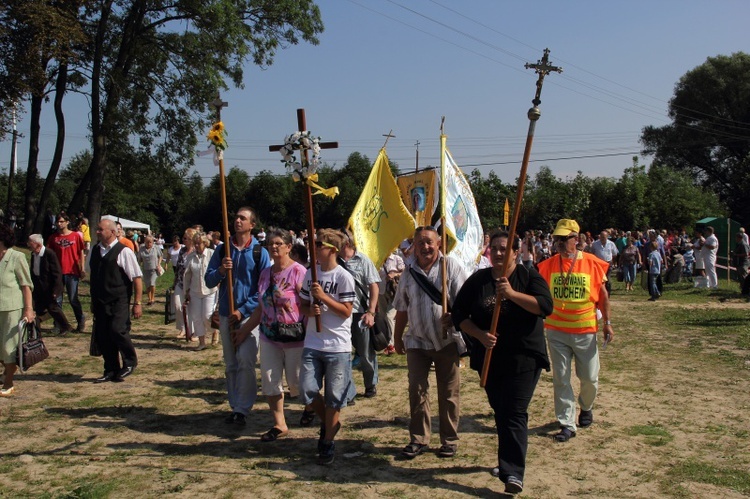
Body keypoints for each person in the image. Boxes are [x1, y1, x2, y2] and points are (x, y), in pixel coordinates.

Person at [451, 231, 552, 495]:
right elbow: (459, 313)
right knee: (501, 411)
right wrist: (479, 334)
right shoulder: (479, 280)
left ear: (516, 252)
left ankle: (513, 473)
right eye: (493, 248)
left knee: (514, 412)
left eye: (504, 248)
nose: (498, 253)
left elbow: (545, 306)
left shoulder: (528, 276)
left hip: (524, 357)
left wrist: (511, 294)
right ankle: (505, 462)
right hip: (490, 357)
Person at [393, 226, 468, 459]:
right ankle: (418, 438)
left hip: (446, 341)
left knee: (448, 393)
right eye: (420, 243)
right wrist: (397, 338)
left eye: (429, 242)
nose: (425, 247)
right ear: (413, 246)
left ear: (438, 244)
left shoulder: (451, 267)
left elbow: (466, 302)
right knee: (417, 390)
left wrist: (454, 316)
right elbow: (402, 308)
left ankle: (449, 440)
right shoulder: (408, 271)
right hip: (417, 340)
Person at [536, 219, 614, 443]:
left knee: (589, 377)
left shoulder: (592, 263)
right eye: (557, 239)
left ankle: (586, 406)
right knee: (561, 378)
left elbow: (603, 296)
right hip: (556, 330)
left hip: (584, 330)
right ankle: (567, 423)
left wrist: (607, 322)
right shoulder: (547, 265)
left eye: (564, 239)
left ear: (577, 240)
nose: (559, 243)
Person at [236, 228, 308, 441]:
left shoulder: (298, 272)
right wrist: (244, 331)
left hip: (295, 337)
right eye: (271, 244)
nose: (274, 247)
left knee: (297, 383)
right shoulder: (265, 273)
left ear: (288, 247)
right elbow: (260, 307)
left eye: (278, 243)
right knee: (269, 380)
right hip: (269, 336)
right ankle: (279, 424)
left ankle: (311, 407)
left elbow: (307, 303)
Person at [205, 207, 271, 426]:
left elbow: (263, 288)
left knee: (246, 359)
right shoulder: (223, 250)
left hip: (249, 316)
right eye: (236, 217)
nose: (237, 221)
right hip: (226, 313)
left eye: (243, 218)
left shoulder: (259, 252)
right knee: (231, 363)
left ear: (252, 225)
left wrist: (242, 310)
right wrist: (222, 271)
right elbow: (209, 280)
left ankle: (243, 408)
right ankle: (235, 407)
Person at [298, 229, 356, 465]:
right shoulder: (310, 274)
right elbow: (302, 303)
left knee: (334, 398)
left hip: (337, 346)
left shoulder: (343, 277)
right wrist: (309, 310)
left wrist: (323, 297)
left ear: (332, 249)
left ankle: (327, 442)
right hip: (312, 342)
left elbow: (346, 311)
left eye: (318, 245)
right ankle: (330, 424)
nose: (314, 248)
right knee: (307, 390)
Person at [89, 219, 143, 383]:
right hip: (100, 300)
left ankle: (130, 362)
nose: (97, 232)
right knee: (104, 335)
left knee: (118, 330)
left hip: (119, 300)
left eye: (100, 229)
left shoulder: (124, 251)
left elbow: (137, 278)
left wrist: (137, 303)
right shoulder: (96, 251)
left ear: (112, 232)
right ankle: (111, 368)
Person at [338, 229, 381, 402]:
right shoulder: (334, 261)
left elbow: (374, 286)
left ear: (347, 243)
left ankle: (370, 384)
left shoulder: (363, 260)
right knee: (343, 353)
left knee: (365, 352)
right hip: (340, 313)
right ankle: (348, 391)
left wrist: (371, 311)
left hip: (360, 313)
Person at [0, 223, 35, 397]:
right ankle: (6, 372)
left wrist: (28, 309)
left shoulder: (17, 257)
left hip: (12, 309)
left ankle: (9, 382)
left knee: (9, 347)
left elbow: (26, 285)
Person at [47, 213, 86, 333]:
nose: (59, 224)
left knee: (73, 298)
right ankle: (59, 324)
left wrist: (82, 268)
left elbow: (81, 252)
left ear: (67, 222)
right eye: (58, 222)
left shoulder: (75, 236)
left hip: (72, 271)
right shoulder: (53, 238)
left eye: (62, 221)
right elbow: (49, 254)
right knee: (57, 299)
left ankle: (80, 321)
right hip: (58, 273)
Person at [27, 234, 73, 335]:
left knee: (53, 308)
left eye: (30, 242)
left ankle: (65, 326)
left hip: (49, 288)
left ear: (38, 244)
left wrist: (56, 291)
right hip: (38, 287)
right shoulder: (33, 254)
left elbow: (57, 273)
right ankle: (35, 332)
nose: (28, 244)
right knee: (37, 310)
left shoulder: (49, 253)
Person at [183, 232, 217, 350]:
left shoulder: (212, 254)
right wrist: (186, 290)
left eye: (199, 243)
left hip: (209, 290)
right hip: (194, 291)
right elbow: (187, 275)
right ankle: (202, 342)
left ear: (205, 243)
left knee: (207, 316)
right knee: (197, 317)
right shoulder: (190, 257)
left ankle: (214, 331)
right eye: (195, 243)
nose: (196, 246)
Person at [173, 229, 196, 339]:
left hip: (192, 284)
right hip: (180, 282)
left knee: (191, 308)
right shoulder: (182, 251)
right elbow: (178, 267)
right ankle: (182, 328)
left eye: (185, 238)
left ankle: (192, 331)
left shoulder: (196, 251)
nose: (183, 240)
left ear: (191, 239)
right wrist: (174, 281)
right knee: (178, 305)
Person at [591, 231, 618, 295]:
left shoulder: (611, 244)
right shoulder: (595, 244)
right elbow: (592, 253)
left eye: (604, 237)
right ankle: (598, 293)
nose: (603, 238)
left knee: (607, 279)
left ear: (607, 237)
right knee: (598, 279)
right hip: (598, 264)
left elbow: (615, 254)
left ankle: (607, 294)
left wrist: (613, 262)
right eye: (602, 236)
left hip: (608, 263)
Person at [137, 235, 161, 306]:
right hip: (145, 269)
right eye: (147, 242)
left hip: (154, 268)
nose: (149, 244)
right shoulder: (142, 249)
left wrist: (159, 264)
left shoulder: (156, 248)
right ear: (145, 242)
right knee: (147, 284)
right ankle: (149, 298)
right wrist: (138, 266)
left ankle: (153, 298)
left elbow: (160, 256)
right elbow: (139, 259)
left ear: (153, 242)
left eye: (150, 242)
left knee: (152, 283)